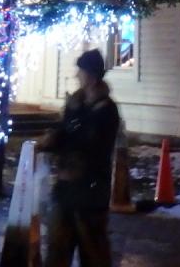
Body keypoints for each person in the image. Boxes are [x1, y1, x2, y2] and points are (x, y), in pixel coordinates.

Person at [41, 48, 121, 267]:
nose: (77, 75)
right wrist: (52, 139)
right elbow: (64, 131)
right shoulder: (75, 104)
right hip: (66, 189)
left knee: (92, 251)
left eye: (81, 71)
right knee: (57, 247)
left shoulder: (106, 110)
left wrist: (74, 160)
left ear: (91, 75)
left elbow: (95, 146)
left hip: (91, 191)